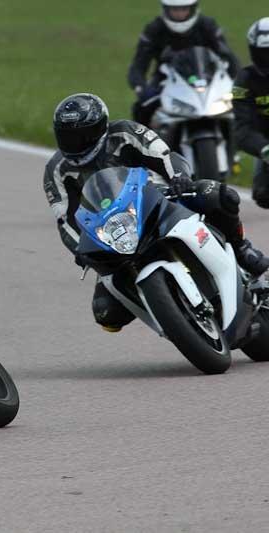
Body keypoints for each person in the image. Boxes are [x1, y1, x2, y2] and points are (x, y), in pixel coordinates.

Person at [44, 93, 269, 332]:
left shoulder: (125, 132)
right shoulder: (57, 169)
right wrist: (80, 250)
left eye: (82, 135)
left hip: (157, 198)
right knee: (106, 314)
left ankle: (241, 248)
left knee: (219, 195)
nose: (76, 143)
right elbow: (64, 218)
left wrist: (179, 178)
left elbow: (162, 153)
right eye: (67, 137)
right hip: (114, 232)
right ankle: (170, 312)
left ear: (101, 127)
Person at [128, 0, 240, 126]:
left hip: (207, 79)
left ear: (193, 9)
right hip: (165, 80)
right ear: (166, 9)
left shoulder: (207, 25)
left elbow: (227, 55)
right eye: (175, 10)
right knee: (142, 107)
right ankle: (143, 142)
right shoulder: (154, 29)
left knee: (238, 106)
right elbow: (138, 64)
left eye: (184, 9)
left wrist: (237, 80)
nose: (179, 14)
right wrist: (141, 88)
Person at [234, 18, 269, 208]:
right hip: (267, 143)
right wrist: (264, 148)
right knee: (263, 195)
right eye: (266, 54)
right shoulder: (246, 80)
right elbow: (242, 129)